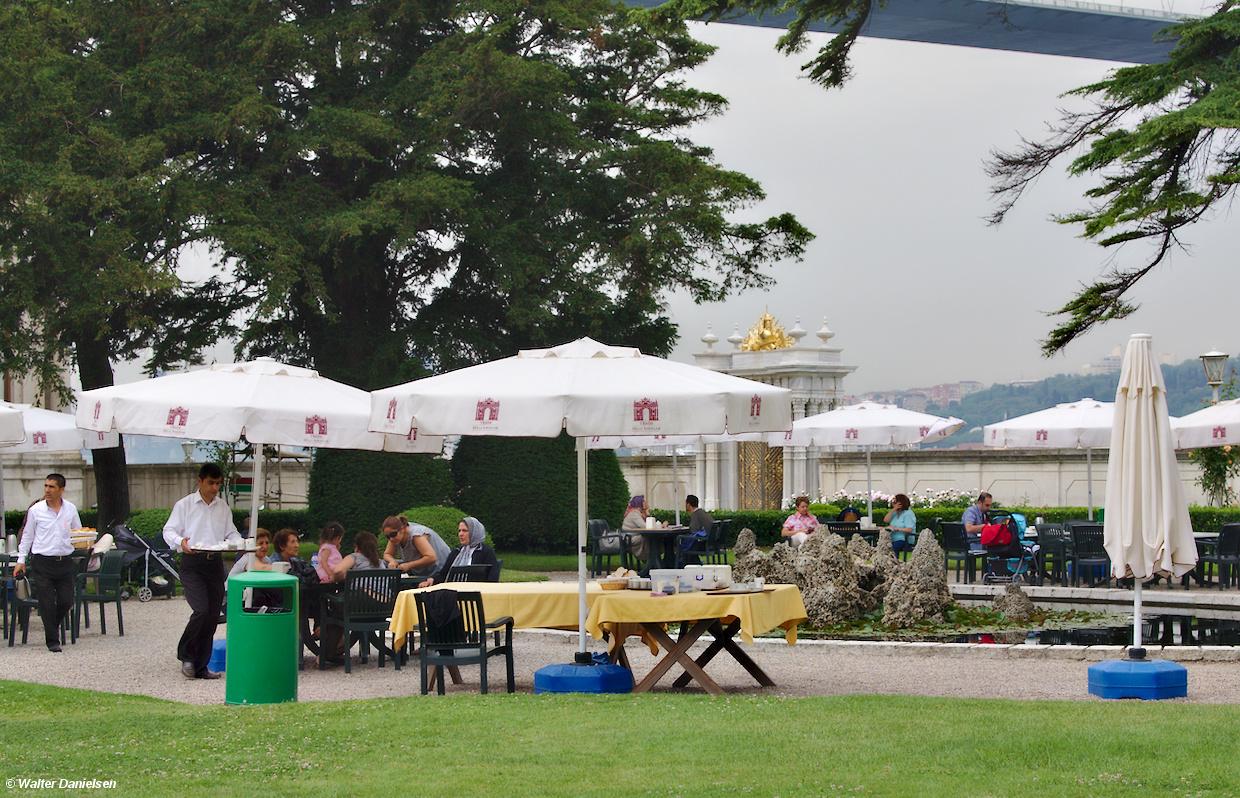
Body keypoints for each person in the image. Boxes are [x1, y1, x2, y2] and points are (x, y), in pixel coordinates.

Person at [163, 463, 242, 679]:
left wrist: (239, 542)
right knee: (201, 610)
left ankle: (201, 666)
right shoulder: (185, 505)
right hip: (192, 563)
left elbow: (231, 532)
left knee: (212, 615)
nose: (214, 488)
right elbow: (168, 530)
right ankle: (187, 655)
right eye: (210, 483)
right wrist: (180, 542)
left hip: (215, 564)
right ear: (200, 481)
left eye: (218, 484)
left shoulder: (222, 507)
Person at [14, 473, 83, 652]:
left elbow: (78, 532)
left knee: (66, 600)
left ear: (61, 489)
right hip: (42, 561)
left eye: (52, 487)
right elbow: (27, 536)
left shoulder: (70, 509)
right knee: (46, 601)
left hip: (65, 561)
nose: (47, 490)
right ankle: (52, 640)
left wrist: (85, 542)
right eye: (46, 486)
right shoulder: (36, 510)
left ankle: (51, 626)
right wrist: (21, 560)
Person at [419, 517, 499, 587]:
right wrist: (432, 579)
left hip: (477, 592)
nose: (460, 534)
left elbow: (492, 578)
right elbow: (443, 574)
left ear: (475, 532)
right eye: (459, 531)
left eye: (464, 531)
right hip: (454, 592)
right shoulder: (456, 552)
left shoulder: (485, 552)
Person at [381, 515, 451, 579]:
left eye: (393, 534)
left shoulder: (416, 535)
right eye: (387, 536)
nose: (391, 539)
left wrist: (408, 565)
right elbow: (387, 554)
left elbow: (431, 557)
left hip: (441, 572)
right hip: (422, 574)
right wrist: (392, 561)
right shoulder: (395, 537)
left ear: (402, 528)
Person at [679, 495, 715, 564]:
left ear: (688, 504)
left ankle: (682, 563)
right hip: (711, 542)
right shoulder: (702, 513)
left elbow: (693, 530)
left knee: (682, 542)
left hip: (703, 544)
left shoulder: (695, 515)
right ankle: (695, 562)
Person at [620, 495, 652, 562]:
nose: (646, 503)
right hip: (630, 539)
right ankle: (649, 558)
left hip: (633, 536)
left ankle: (651, 559)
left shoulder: (638, 513)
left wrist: (646, 514)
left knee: (652, 537)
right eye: (644, 501)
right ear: (639, 503)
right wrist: (647, 513)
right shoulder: (634, 514)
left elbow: (648, 525)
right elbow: (646, 526)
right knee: (650, 537)